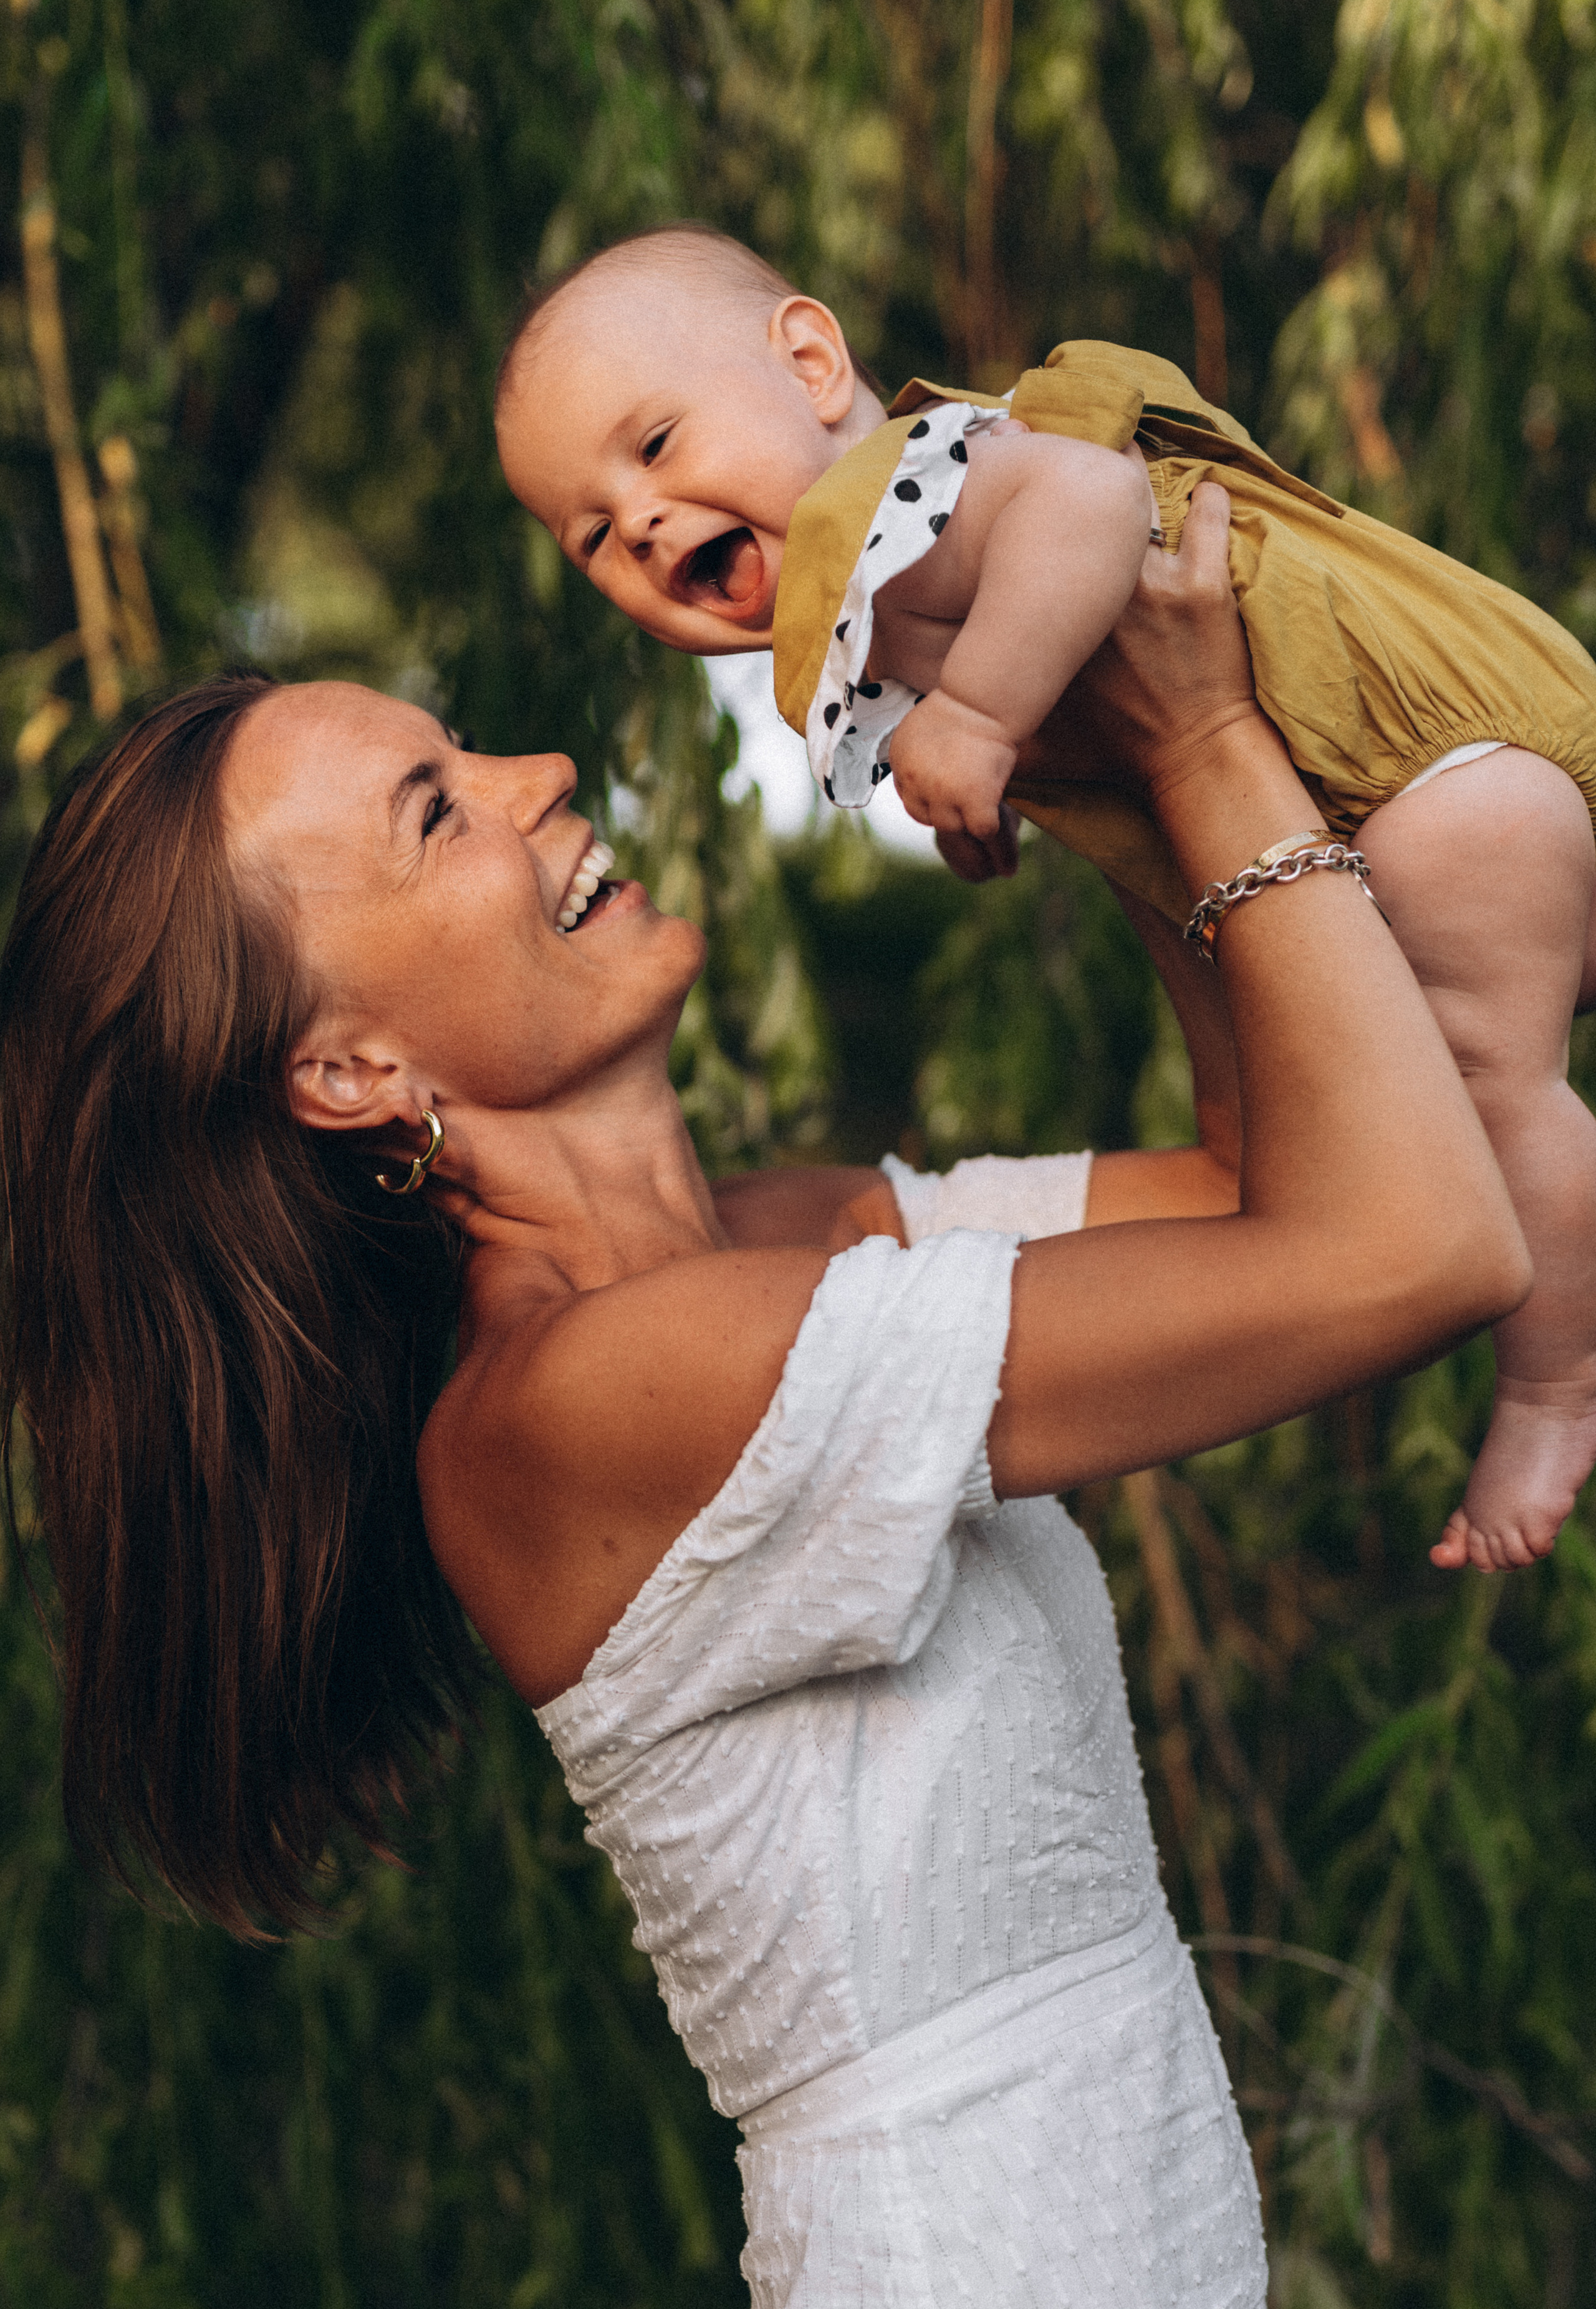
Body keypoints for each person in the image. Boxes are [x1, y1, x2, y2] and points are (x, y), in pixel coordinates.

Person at [0, 494, 1526, 2308]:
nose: (542, 772)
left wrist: (1094, 764)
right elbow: (1415, 1246)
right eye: (436, 810)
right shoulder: (587, 1396)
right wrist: (1202, 742)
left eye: (465, 748)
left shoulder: (793, 1247)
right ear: (348, 1069)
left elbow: (1260, 1180)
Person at [494, 223, 1596, 1576]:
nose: (639, 521)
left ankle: (1555, 1387)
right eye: (592, 535)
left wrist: (978, 714)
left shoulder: (902, 488)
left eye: (656, 446)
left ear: (811, 361)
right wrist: (998, 770)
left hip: (1439, 778)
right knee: (1421, 1085)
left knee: (1487, 1083)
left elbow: (1090, 503)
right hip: (1401, 791)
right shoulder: (879, 581)